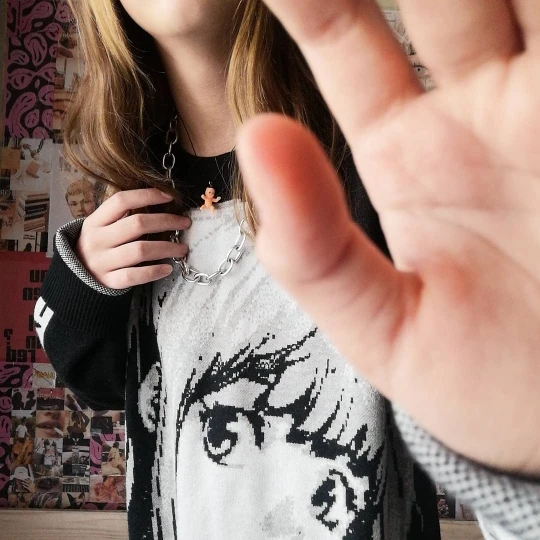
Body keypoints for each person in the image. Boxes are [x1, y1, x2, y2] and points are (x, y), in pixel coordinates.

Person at [32, 2, 539, 540]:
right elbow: (94, 375)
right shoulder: (132, 212)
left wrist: (521, 469)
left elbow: (481, 394)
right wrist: (82, 279)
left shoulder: (386, 175)